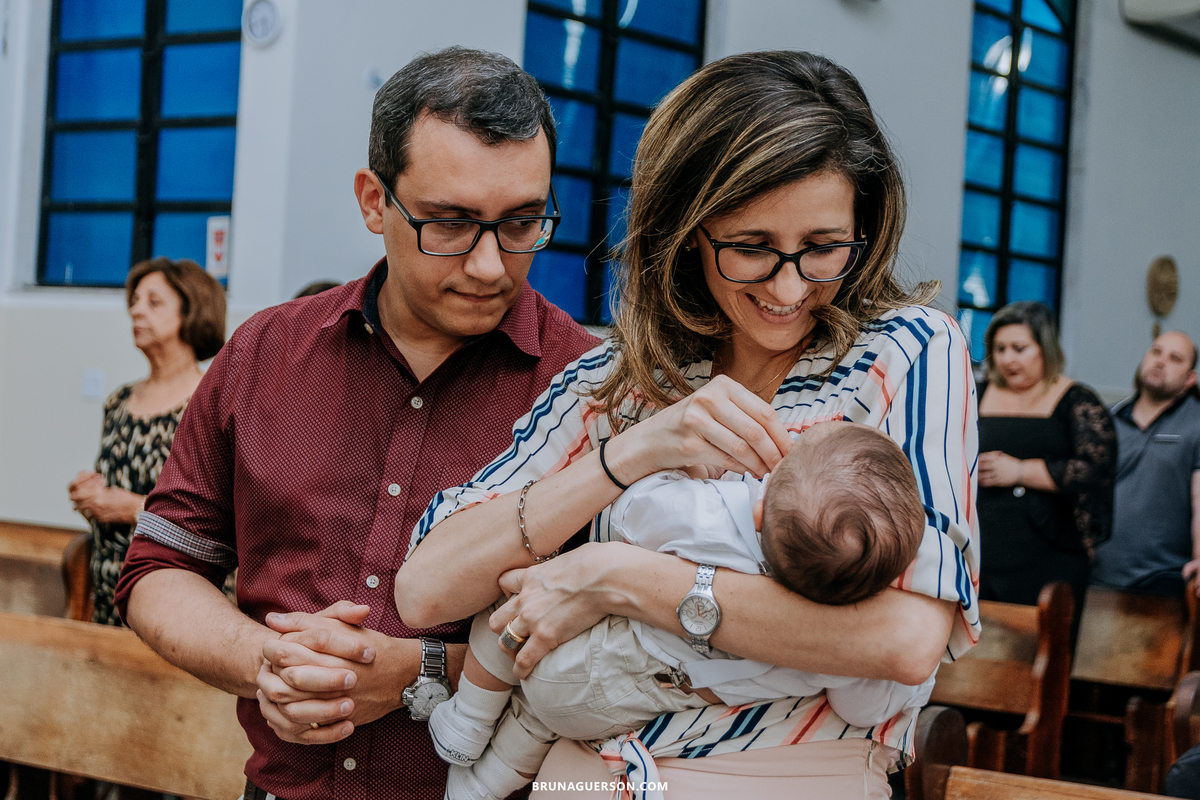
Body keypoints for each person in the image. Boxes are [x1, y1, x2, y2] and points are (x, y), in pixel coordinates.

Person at [396, 50, 979, 799]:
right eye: (752, 248)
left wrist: (620, 578)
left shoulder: (902, 353)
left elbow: (902, 640)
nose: (790, 286)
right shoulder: (615, 384)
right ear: (686, 231)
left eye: (824, 248)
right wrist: (629, 454)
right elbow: (425, 590)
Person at [113, 48, 597, 800]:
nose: (490, 266)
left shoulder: (590, 390)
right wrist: (267, 661)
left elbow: (623, 648)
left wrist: (418, 674)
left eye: (523, 223)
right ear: (374, 201)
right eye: (450, 224)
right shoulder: (266, 353)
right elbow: (160, 565)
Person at [429, 421, 932, 799]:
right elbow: (861, 708)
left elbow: (633, 513)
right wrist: (910, 687)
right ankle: (477, 790)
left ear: (760, 506)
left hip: (597, 647)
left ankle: (467, 721)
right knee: (539, 721)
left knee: (513, 606)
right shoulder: (831, 642)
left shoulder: (719, 513)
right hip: (620, 703)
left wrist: (683, 472)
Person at [67, 257, 226, 625]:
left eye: (153, 303)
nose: (136, 311)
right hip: (108, 587)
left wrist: (131, 509)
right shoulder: (120, 401)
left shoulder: (210, 400)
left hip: (179, 598)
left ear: (191, 312)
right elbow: (115, 482)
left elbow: (224, 513)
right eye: (134, 302)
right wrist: (90, 491)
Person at [976, 301, 1116, 636]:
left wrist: (1020, 471)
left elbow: (1095, 468)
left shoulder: (1075, 399)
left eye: (1019, 348)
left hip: (1048, 552)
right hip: (982, 549)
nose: (1008, 359)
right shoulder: (975, 393)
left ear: (1045, 349)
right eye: (1000, 349)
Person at [1092, 331, 1200, 596]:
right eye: (1156, 351)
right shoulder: (1108, 420)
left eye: (1175, 358)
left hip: (1166, 577)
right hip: (1099, 577)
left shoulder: (1196, 423)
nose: (1161, 361)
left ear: (1190, 379)